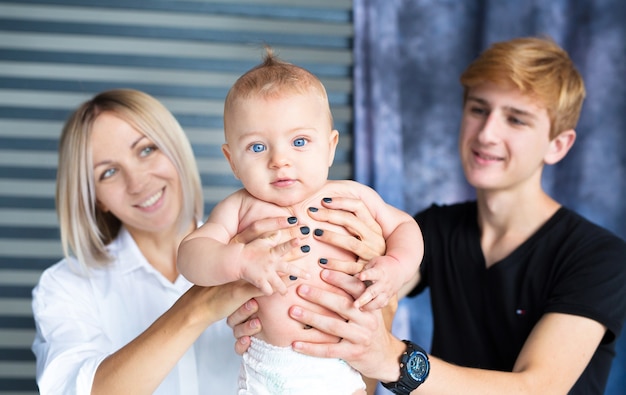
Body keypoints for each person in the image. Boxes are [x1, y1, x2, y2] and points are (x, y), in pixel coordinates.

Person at [234, 37, 626, 394]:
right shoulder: (435, 229)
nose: (487, 133)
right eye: (478, 109)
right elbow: (364, 304)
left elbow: (538, 389)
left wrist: (393, 359)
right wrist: (273, 313)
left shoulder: (598, 257)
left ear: (558, 145)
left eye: (516, 119)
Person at [30, 89, 321, 394]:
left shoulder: (272, 245)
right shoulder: (65, 286)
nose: (138, 182)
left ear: (175, 149)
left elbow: (347, 368)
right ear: (96, 198)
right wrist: (197, 309)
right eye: (109, 172)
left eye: (146, 150)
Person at [177, 51, 424, 394]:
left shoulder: (353, 195)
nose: (280, 161)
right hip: (269, 365)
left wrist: (395, 266)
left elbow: (404, 227)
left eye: (299, 142)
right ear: (232, 160)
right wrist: (239, 260)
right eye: (258, 147)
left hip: (341, 362)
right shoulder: (239, 208)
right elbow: (190, 255)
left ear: (330, 146)